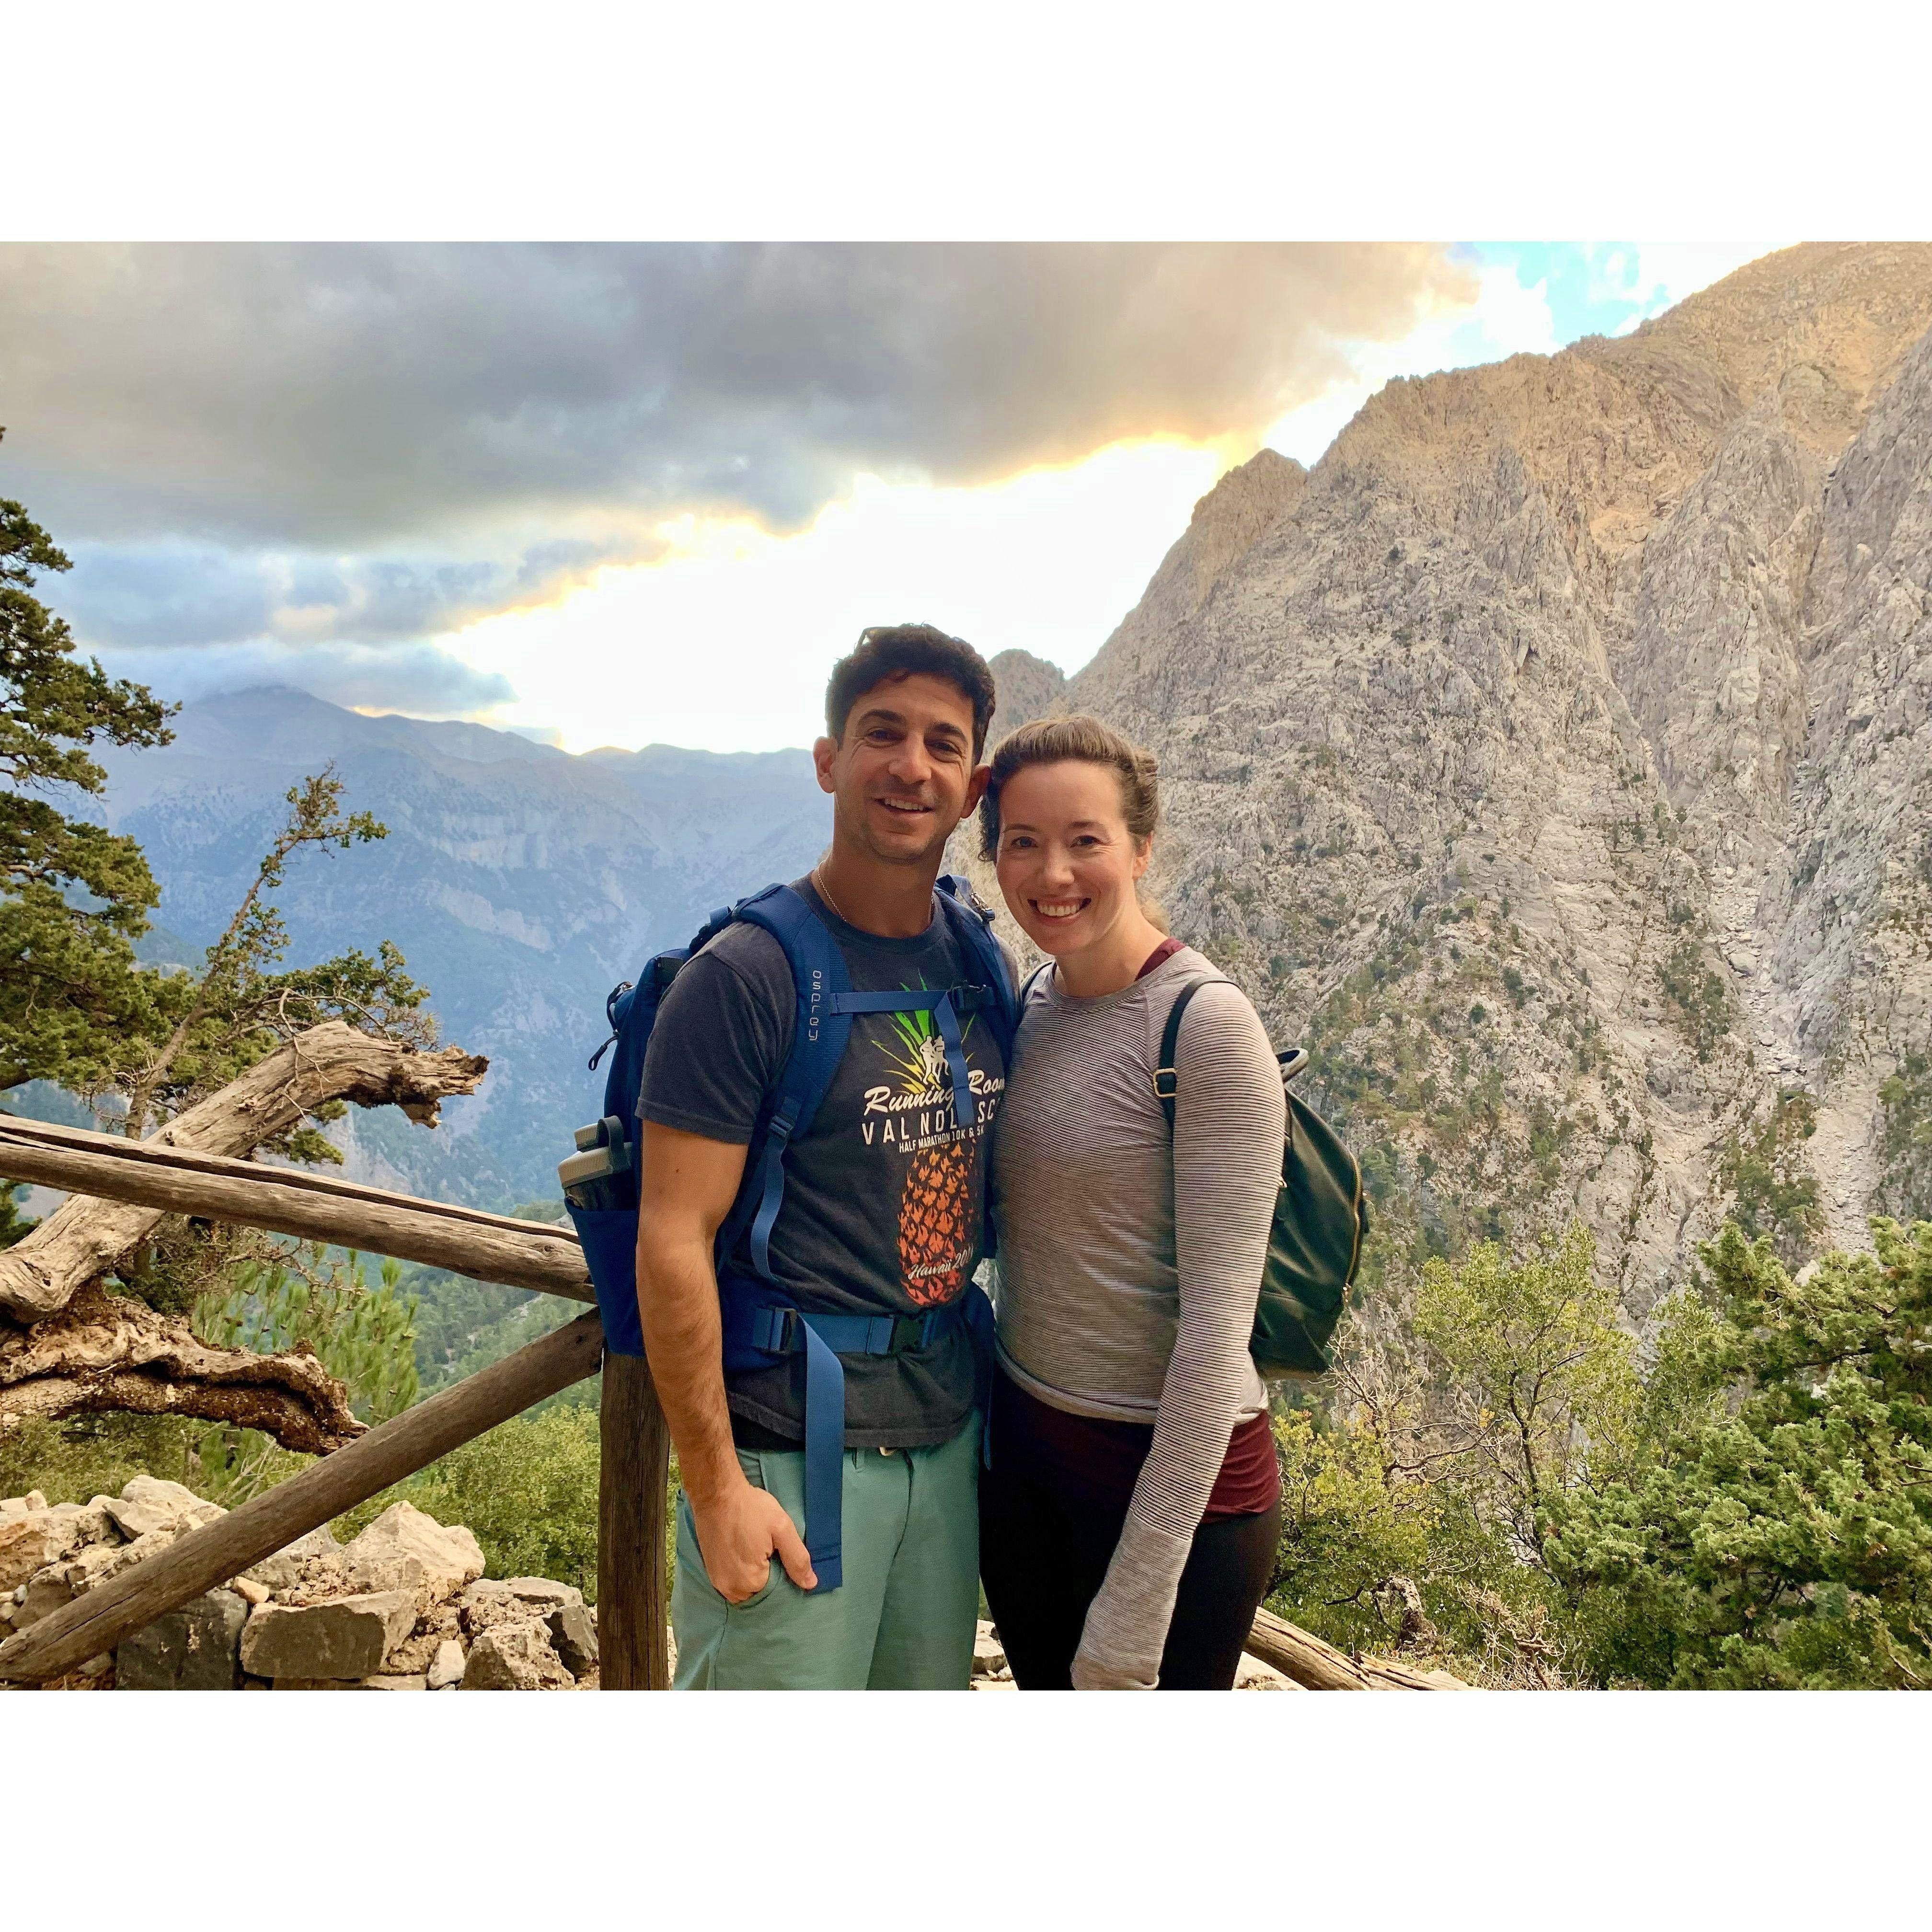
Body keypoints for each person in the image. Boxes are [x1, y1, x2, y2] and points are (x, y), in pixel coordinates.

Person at [635, 623, 1012, 1690]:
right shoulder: (747, 976)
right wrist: (715, 1489)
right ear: (828, 760)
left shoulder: (977, 953)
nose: (911, 764)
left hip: (943, 1444)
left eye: (943, 743)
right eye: (881, 732)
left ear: (974, 782)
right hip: (789, 1457)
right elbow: (674, 1236)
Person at [978, 714, 1286, 1690]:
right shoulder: (1034, 1003)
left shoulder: (1207, 1027)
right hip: (1028, 1462)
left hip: (1176, 1494)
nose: (1052, 872)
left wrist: (1136, 1601)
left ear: (1142, 849)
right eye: (1022, 842)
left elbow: (1213, 1337)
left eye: (1085, 841)